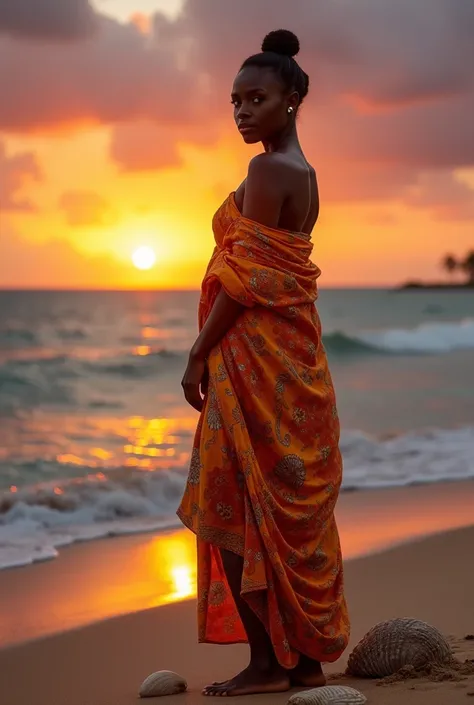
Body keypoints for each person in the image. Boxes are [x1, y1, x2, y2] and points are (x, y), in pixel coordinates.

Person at [177, 29, 350, 697]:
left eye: (257, 98)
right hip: (298, 363)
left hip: (253, 361)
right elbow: (272, 276)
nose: (243, 111)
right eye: (235, 100)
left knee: (229, 501)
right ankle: (302, 661)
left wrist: (197, 352)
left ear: (293, 100)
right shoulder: (306, 175)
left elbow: (247, 282)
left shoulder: (267, 171)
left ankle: (265, 663)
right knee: (284, 512)